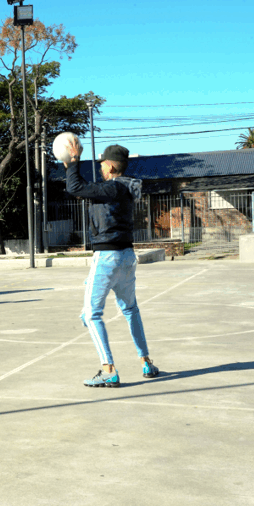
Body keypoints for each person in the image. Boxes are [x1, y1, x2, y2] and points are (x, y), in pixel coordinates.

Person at [63, 141, 159, 387]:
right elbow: (84, 188)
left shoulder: (113, 188)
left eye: (102, 164)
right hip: (127, 256)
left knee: (90, 314)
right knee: (130, 310)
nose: (100, 168)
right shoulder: (126, 188)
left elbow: (75, 187)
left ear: (110, 166)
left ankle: (109, 370)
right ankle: (146, 362)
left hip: (108, 258)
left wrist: (73, 163)